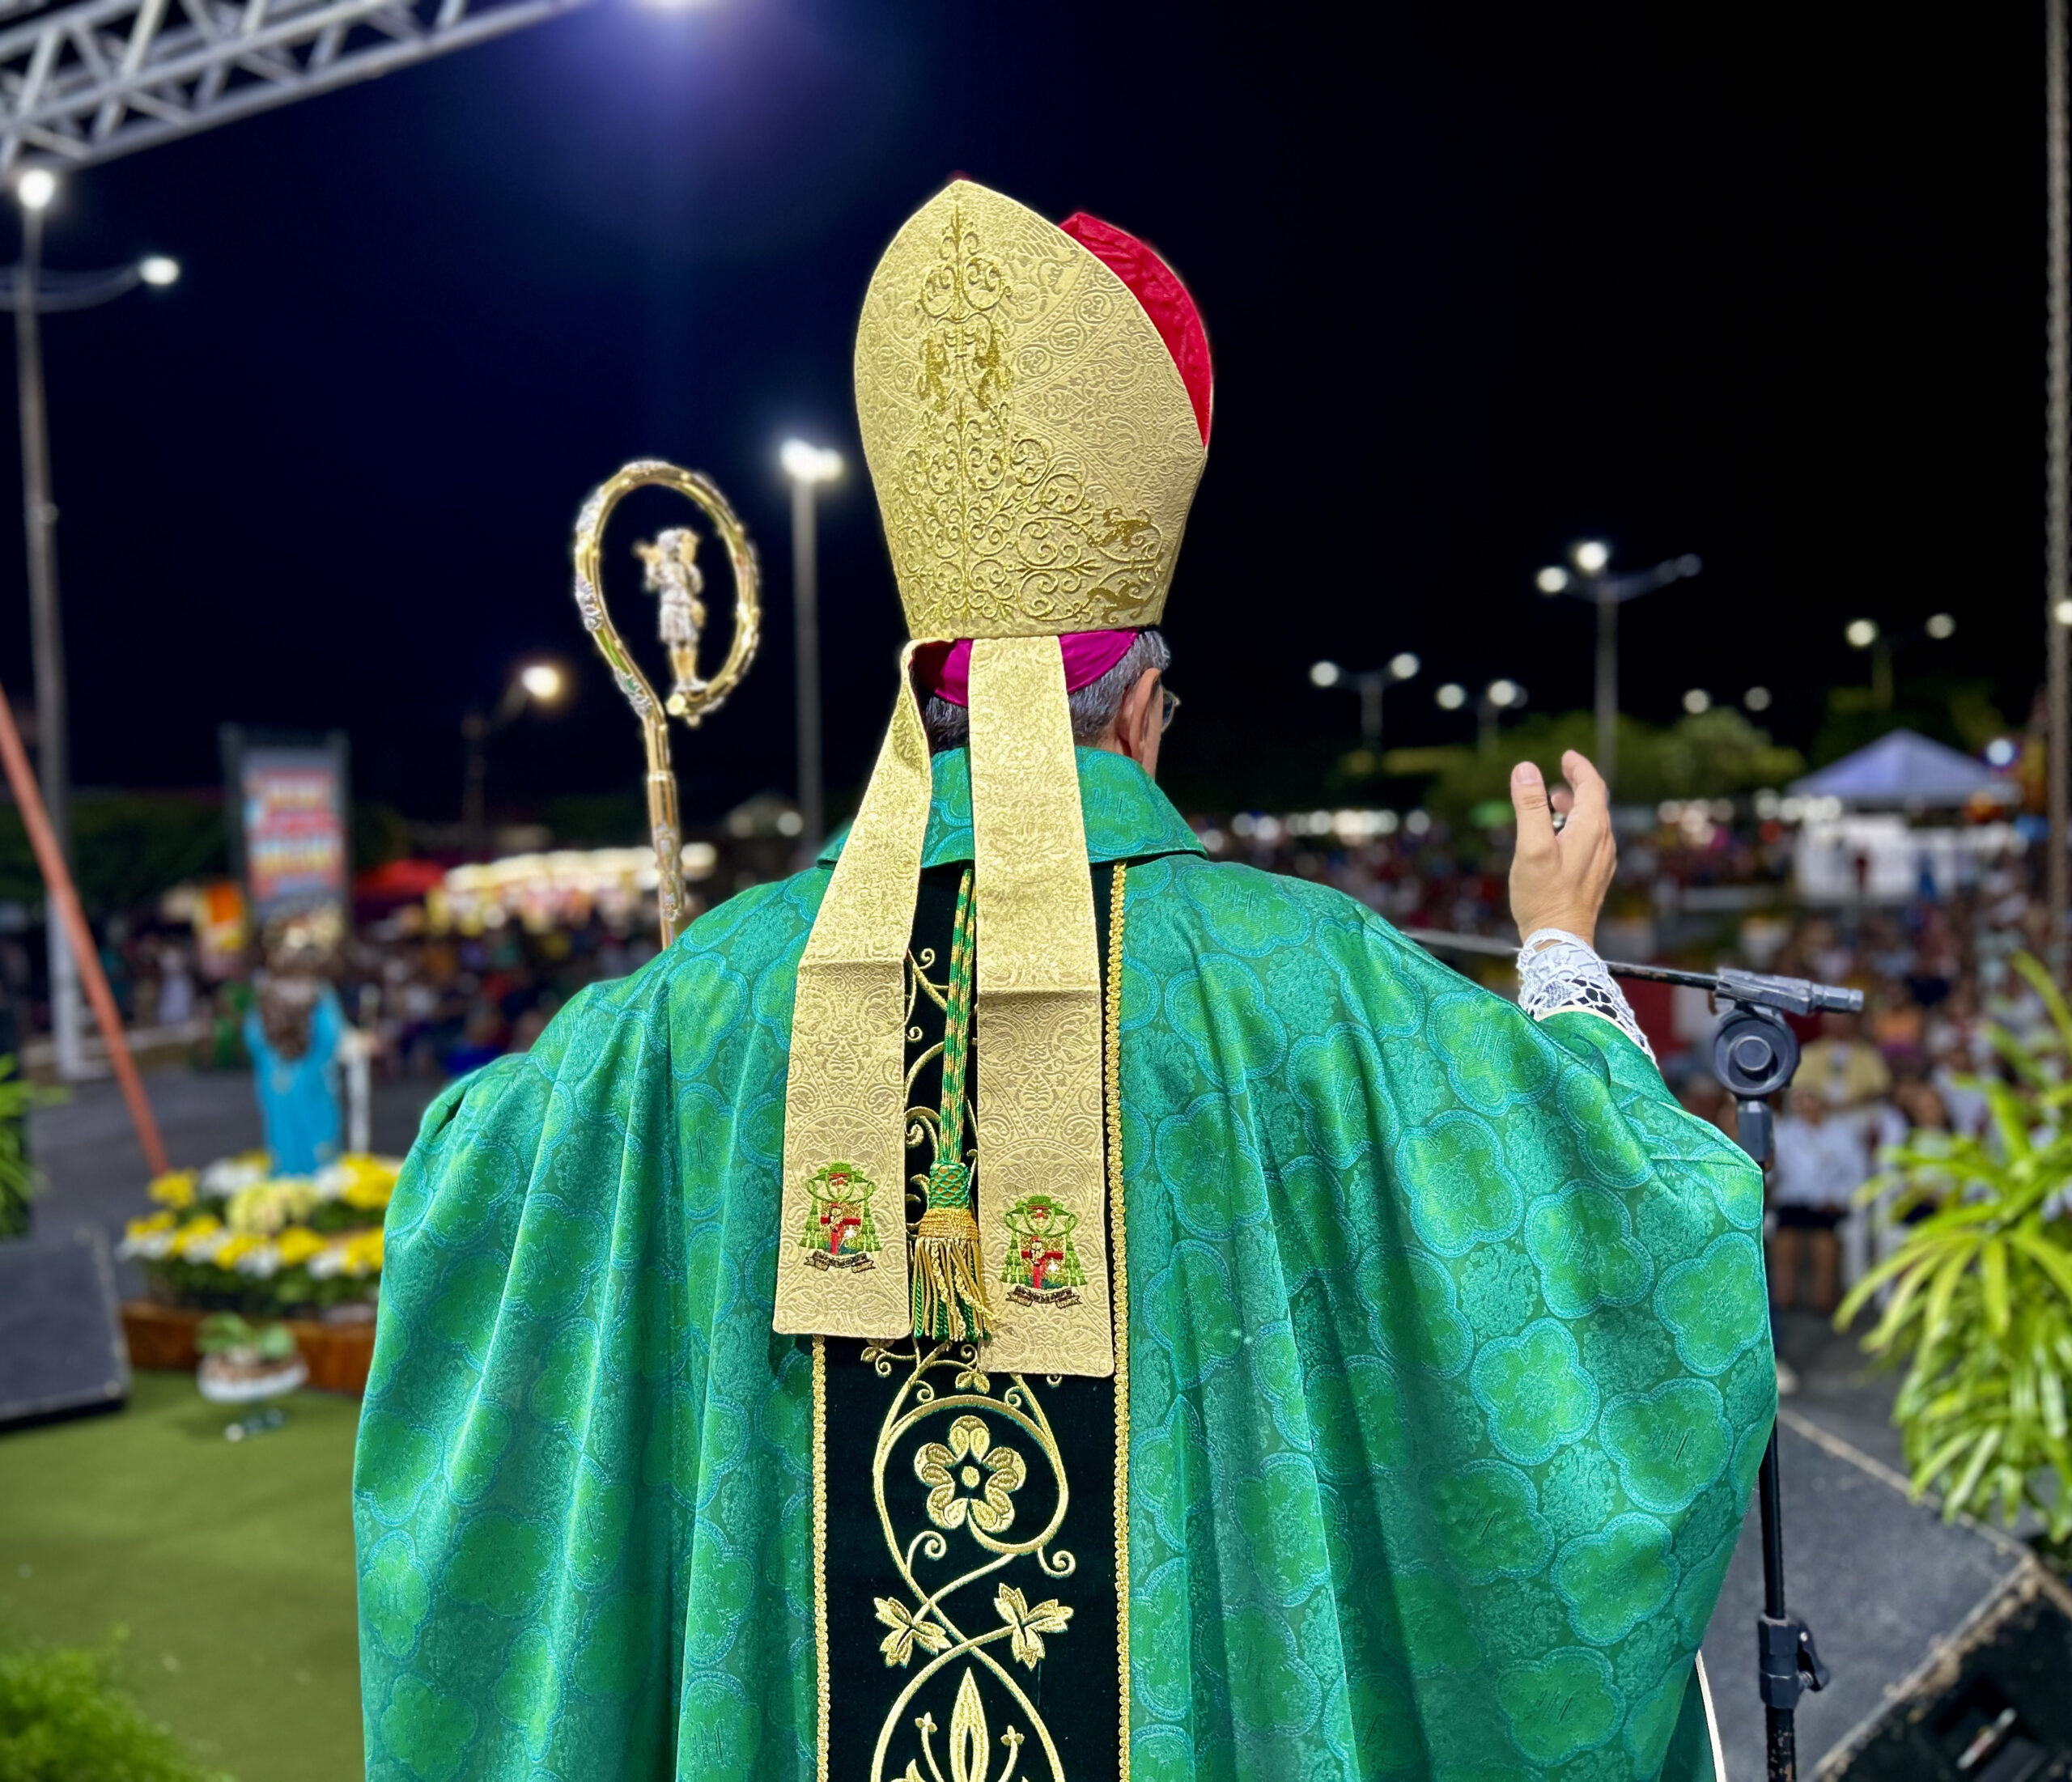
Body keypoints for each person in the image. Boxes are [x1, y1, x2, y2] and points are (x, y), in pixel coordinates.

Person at [355, 181, 1769, 1781]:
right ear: (1146, 707)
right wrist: (1559, 948)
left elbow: (461, 1207)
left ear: (922, 704)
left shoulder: (693, 1006)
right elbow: (1623, 1234)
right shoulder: (1300, 984)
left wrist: (682, 1053)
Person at [1768, 1086, 1868, 1313]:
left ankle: (1823, 1299)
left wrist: (1839, 1197)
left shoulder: (1842, 1133)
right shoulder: (1783, 1131)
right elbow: (1772, 1169)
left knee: (1824, 1240)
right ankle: (1783, 1298)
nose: (1805, 1107)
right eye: (1800, 1102)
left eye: (1810, 1100)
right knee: (1784, 1238)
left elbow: (1857, 1171)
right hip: (1792, 1198)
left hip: (1828, 1200)